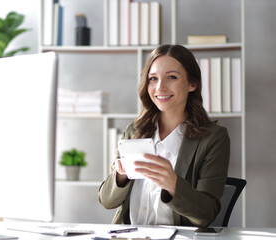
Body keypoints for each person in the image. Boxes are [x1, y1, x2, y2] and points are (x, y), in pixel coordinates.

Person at [98, 44, 230, 227]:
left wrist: (173, 184)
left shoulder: (213, 138)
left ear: (192, 84)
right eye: (153, 78)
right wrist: (120, 176)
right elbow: (106, 201)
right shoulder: (134, 131)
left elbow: (206, 215)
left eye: (172, 77)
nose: (160, 87)